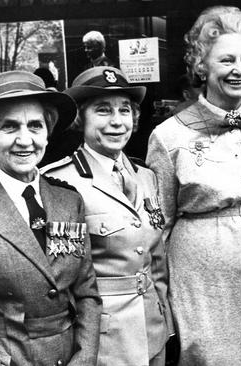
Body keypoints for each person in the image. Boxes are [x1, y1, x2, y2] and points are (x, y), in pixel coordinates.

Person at [146, 6, 241, 365]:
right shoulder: (169, 136)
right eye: (226, 60)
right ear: (201, 66)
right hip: (201, 276)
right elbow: (159, 225)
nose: (239, 69)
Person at [42, 66, 173, 366]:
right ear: (81, 118)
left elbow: (157, 263)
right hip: (103, 341)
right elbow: (61, 280)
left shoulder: (145, 177)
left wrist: (165, 324)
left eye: (124, 110)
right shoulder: (60, 183)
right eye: (103, 110)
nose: (117, 121)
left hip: (152, 331)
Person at [0, 70, 101, 365]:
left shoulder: (68, 200)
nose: (25, 140)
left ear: (47, 133)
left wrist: (84, 358)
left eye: (35, 126)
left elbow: (87, 294)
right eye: (9, 127)